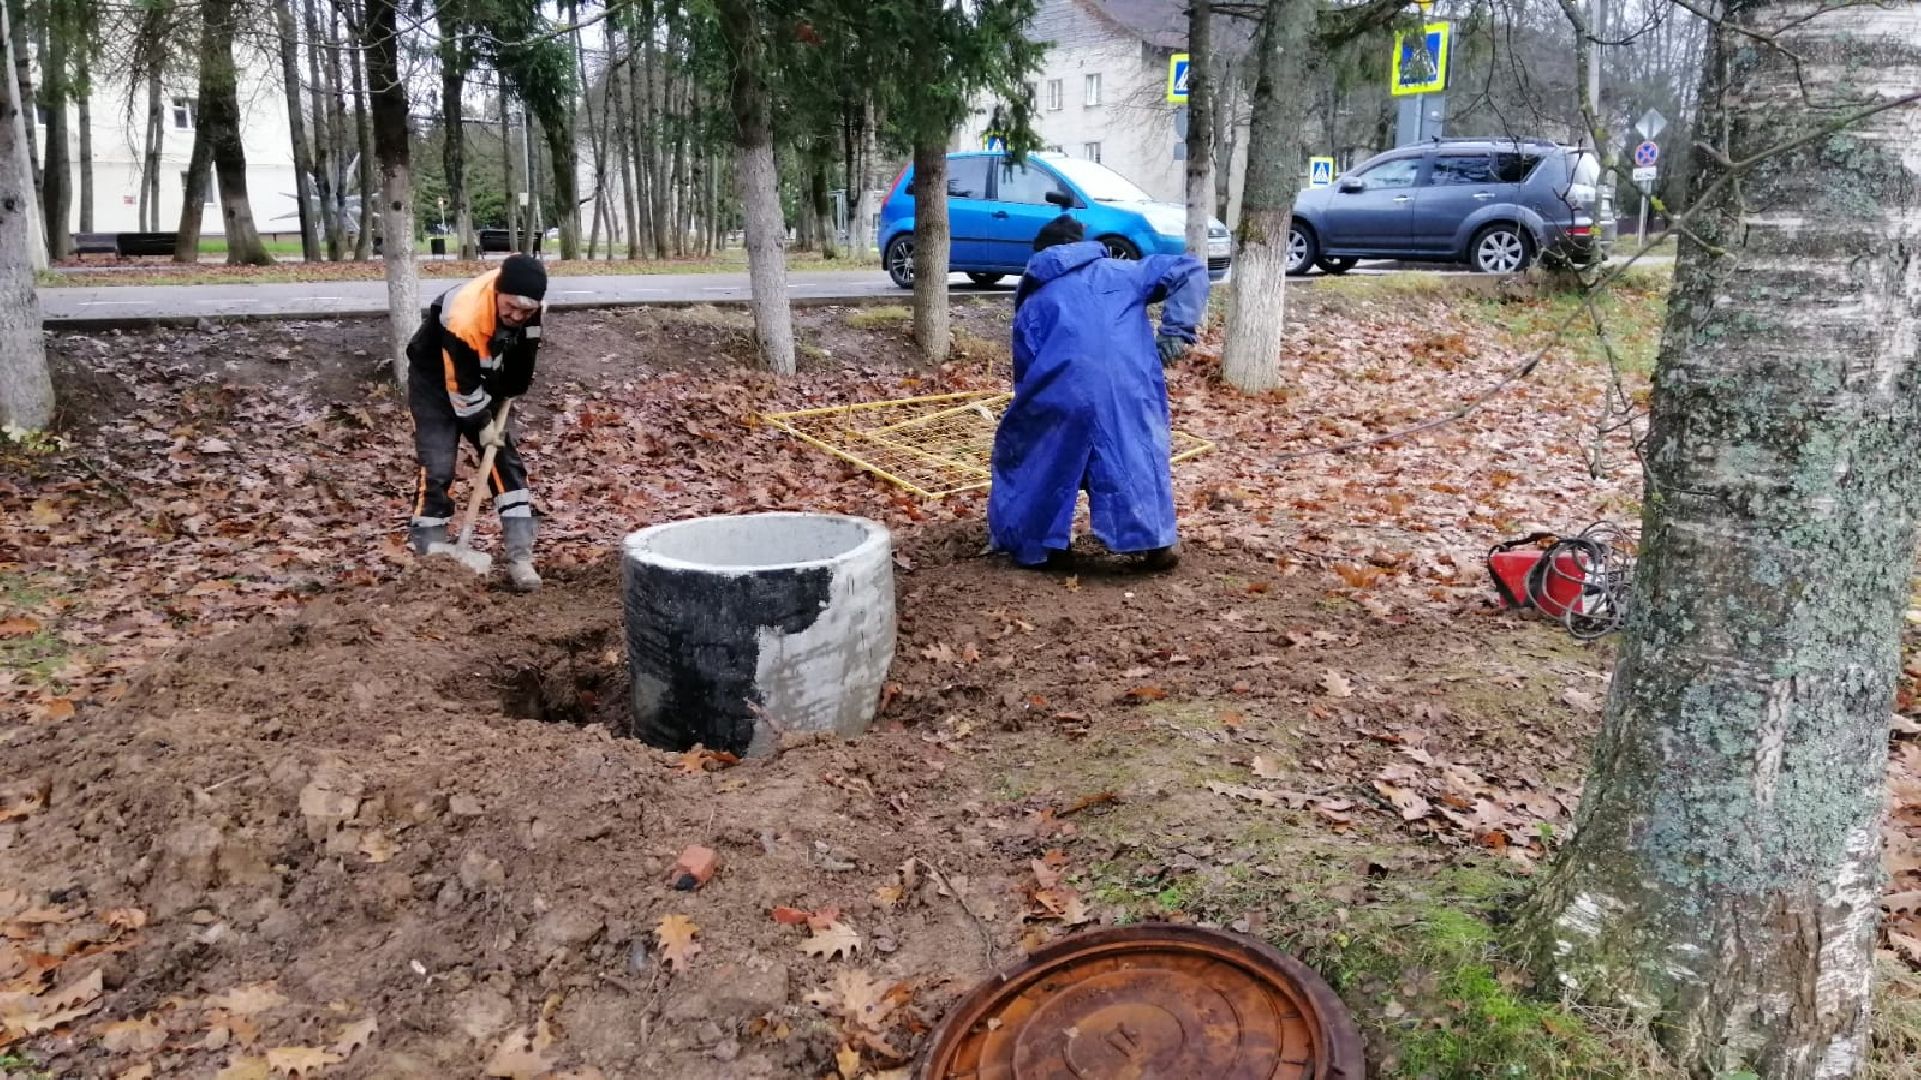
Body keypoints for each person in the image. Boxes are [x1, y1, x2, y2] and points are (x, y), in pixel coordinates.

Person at [988, 215, 1209, 571]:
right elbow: (1190, 270)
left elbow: (1025, 371)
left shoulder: (1034, 300)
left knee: (1039, 453)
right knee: (1134, 453)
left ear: (1041, 255)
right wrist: (1176, 331)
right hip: (1130, 388)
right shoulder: (1125, 274)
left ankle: (1041, 543)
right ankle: (1156, 541)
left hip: (1061, 391)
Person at [406, 253, 548, 592]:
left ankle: (520, 556)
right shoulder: (463, 315)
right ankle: (431, 561)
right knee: (438, 465)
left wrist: (511, 388)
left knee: (504, 461)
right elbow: (460, 387)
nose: (516, 315)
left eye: (525, 311)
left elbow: (524, 354)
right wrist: (481, 423)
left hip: (481, 379)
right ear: (498, 290)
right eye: (511, 307)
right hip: (435, 384)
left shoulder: (530, 306)